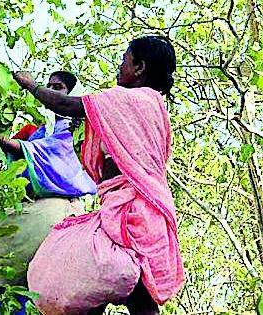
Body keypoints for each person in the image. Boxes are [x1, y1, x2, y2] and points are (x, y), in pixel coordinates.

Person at [13, 36, 185, 315]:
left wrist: (30, 84)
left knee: (98, 283)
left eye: (124, 61)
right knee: (132, 296)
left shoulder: (126, 99)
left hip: (130, 211)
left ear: (139, 67)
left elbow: (66, 106)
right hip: (143, 210)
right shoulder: (156, 109)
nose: (119, 67)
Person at [0, 71, 97, 315]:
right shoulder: (34, 131)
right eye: (50, 86)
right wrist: (0, 115)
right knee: (0, 290)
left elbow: (53, 153)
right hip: (17, 218)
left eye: (59, 88)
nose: (52, 91)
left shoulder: (82, 134)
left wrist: (8, 142)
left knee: (44, 293)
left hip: (56, 216)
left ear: (72, 95)